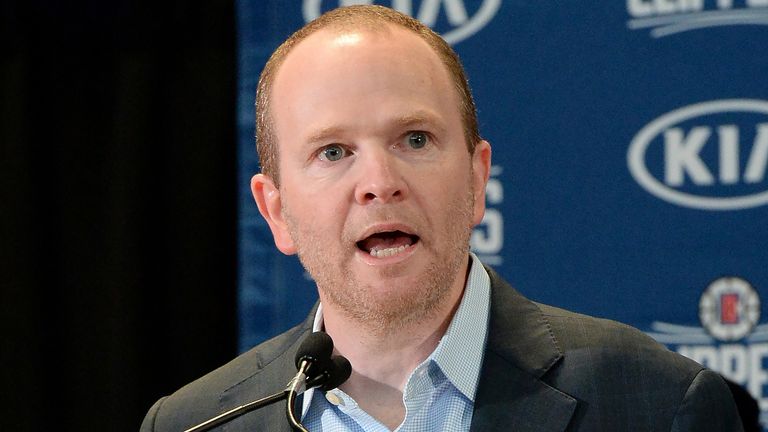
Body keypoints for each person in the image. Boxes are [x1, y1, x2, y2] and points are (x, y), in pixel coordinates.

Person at [141, 5, 744, 432]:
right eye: (333, 152)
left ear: (477, 179)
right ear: (276, 211)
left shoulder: (657, 406)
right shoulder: (197, 424)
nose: (379, 184)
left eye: (415, 139)